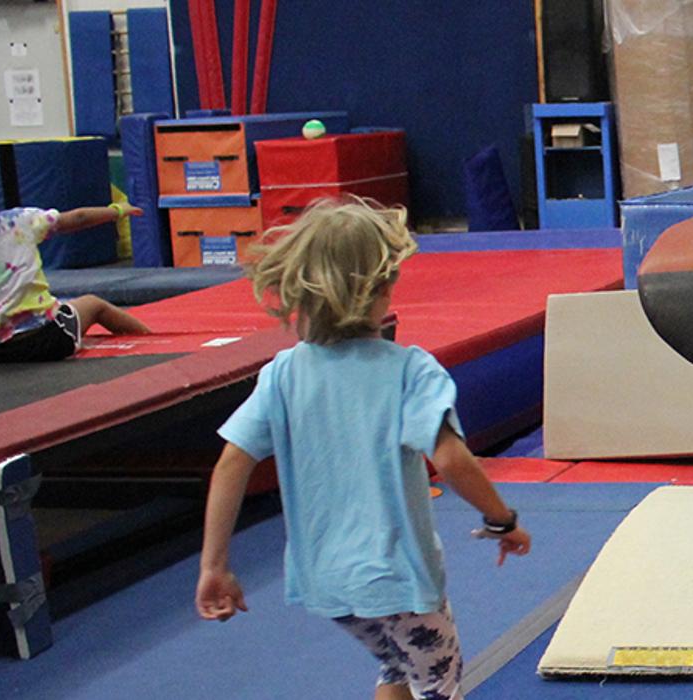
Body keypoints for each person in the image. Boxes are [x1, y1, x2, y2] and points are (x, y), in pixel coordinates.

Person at [194, 198, 531, 700]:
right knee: (438, 682)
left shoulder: (283, 375)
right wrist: (502, 519)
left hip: (330, 585)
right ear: (382, 290)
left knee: (396, 667)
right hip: (398, 576)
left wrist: (213, 566)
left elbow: (231, 464)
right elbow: (452, 459)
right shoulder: (408, 371)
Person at [0, 168, 150, 362]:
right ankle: (157, 345)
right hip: (50, 339)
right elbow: (78, 217)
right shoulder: (18, 221)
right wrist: (118, 210)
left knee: (63, 308)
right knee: (94, 304)